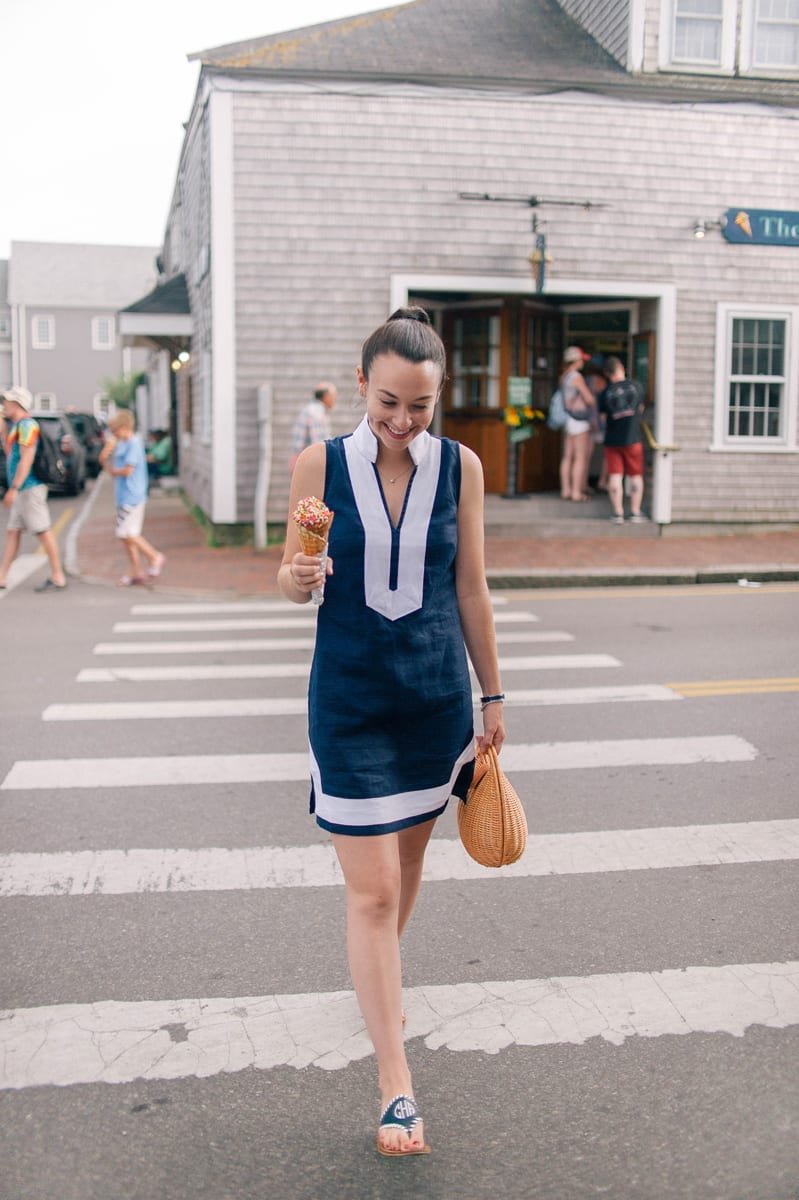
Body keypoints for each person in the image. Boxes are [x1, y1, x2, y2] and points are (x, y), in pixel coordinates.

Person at [279, 307, 505, 1158]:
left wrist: (492, 698)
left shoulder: (461, 467)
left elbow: (472, 589)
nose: (404, 422)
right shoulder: (319, 462)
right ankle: (394, 1081)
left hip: (433, 697)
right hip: (348, 699)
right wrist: (297, 574)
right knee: (370, 891)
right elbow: (291, 578)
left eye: (419, 406)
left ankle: (378, 986)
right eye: (387, 404)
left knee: (406, 867)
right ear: (363, 382)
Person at [0, 385, 68, 593]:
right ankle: (2, 576)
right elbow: (10, 454)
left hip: (30, 488)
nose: (4, 405)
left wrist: (14, 488)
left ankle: (58, 575)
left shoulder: (28, 426)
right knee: (13, 532)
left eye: (7, 402)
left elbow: (26, 459)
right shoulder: (17, 426)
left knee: (43, 531)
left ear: (17, 404)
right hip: (22, 489)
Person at [99, 409, 166, 585]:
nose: (114, 434)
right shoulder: (122, 444)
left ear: (125, 427)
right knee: (127, 535)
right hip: (122, 494)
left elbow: (128, 470)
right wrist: (106, 457)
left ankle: (154, 556)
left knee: (126, 533)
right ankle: (135, 570)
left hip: (133, 494)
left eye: (115, 430)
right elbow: (113, 468)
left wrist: (113, 470)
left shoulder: (134, 444)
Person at [599, 355, 647, 523]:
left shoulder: (605, 392)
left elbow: (603, 417)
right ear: (621, 367)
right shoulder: (637, 386)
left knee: (615, 476)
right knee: (635, 476)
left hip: (612, 440)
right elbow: (641, 408)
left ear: (607, 373)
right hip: (633, 438)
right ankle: (635, 512)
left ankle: (617, 513)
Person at [558, 346, 596, 502]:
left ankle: (565, 490)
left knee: (567, 456)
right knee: (580, 457)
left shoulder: (563, 376)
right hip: (579, 421)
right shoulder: (576, 377)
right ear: (576, 360)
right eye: (581, 360)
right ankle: (576, 492)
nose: (583, 363)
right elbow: (589, 399)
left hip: (567, 419)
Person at [289, 381, 337, 470]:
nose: (335, 399)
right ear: (325, 397)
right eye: (333, 396)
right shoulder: (316, 413)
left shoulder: (310, 410)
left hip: (302, 461)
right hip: (309, 464)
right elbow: (319, 444)